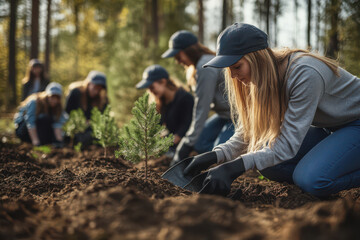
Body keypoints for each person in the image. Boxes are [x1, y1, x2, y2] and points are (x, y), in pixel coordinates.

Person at [183, 23, 360, 198]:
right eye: (229, 68)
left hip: (355, 123)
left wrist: (235, 167)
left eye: (236, 66)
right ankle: (317, 173)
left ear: (257, 58)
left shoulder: (304, 73)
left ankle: (314, 177)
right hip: (332, 128)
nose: (232, 75)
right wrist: (215, 156)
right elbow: (249, 133)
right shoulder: (262, 79)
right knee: (267, 160)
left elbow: (287, 146)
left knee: (311, 180)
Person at [162, 30, 234, 166]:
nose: (177, 61)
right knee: (200, 143)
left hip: (238, 116)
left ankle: (248, 149)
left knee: (219, 152)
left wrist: (186, 144)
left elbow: (202, 107)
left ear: (189, 51)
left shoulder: (205, 65)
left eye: (178, 55)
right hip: (224, 116)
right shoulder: (199, 64)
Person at [136, 64, 194, 156]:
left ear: (163, 81)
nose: (150, 91)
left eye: (152, 87)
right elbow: (156, 127)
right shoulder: (160, 102)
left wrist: (168, 142)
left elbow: (187, 124)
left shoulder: (185, 98)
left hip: (188, 143)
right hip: (172, 142)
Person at [14, 82, 67, 146]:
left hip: (39, 129)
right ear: (47, 95)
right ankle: (35, 141)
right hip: (24, 128)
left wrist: (59, 141)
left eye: (57, 98)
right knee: (43, 118)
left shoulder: (58, 107)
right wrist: (36, 142)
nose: (54, 100)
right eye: (52, 97)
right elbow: (30, 122)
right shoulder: (35, 102)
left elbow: (57, 124)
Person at [65, 70, 108, 146]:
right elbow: (68, 112)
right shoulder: (76, 93)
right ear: (88, 83)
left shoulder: (102, 99)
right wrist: (81, 122)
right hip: (75, 128)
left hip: (92, 129)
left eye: (99, 89)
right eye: (95, 87)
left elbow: (103, 117)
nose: (97, 91)